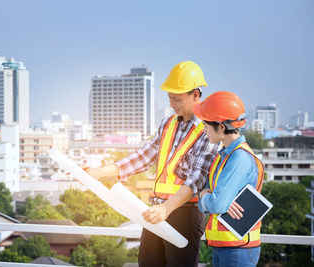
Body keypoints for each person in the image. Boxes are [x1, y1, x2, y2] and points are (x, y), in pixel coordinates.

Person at [87, 61, 220, 267]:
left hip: (184, 213)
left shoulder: (207, 130)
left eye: (177, 99)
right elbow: (143, 157)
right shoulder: (167, 124)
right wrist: (100, 172)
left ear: (195, 95)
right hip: (156, 209)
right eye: (169, 98)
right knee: (148, 263)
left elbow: (197, 179)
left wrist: (166, 209)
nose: (172, 104)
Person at [193, 91, 264, 267]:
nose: (204, 129)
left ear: (221, 127)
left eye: (206, 125)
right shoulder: (223, 155)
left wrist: (206, 196)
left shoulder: (239, 158)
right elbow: (211, 199)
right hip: (224, 246)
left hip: (238, 249)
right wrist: (208, 195)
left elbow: (216, 204)